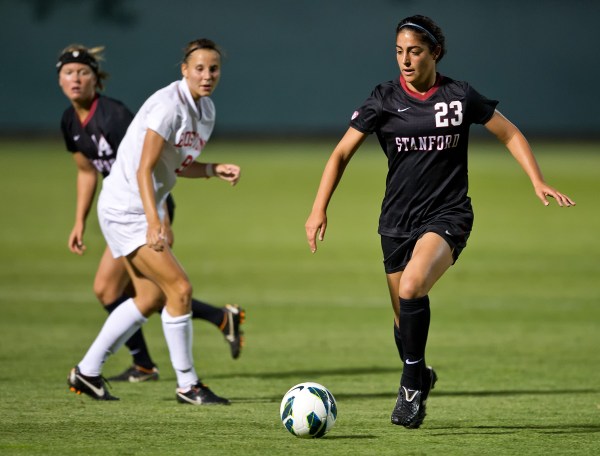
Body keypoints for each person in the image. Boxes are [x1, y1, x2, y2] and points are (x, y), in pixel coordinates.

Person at [305, 15, 575, 428]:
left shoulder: (458, 95)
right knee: (402, 320)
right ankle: (420, 371)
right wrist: (318, 208)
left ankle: (411, 388)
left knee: (413, 287)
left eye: (414, 51)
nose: (406, 60)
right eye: (399, 52)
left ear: (435, 52)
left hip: (448, 215)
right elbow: (340, 153)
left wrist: (536, 180)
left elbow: (509, 133)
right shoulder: (383, 98)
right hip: (396, 221)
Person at [57, 43, 245, 384]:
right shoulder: (167, 107)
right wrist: (156, 220)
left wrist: (213, 169)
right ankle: (188, 384)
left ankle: (88, 371)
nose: (207, 75)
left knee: (148, 296)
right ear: (184, 69)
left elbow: (173, 166)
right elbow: (143, 169)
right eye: (199, 68)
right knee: (179, 289)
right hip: (129, 209)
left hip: (138, 207)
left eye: (214, 69)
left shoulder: (205, 111)